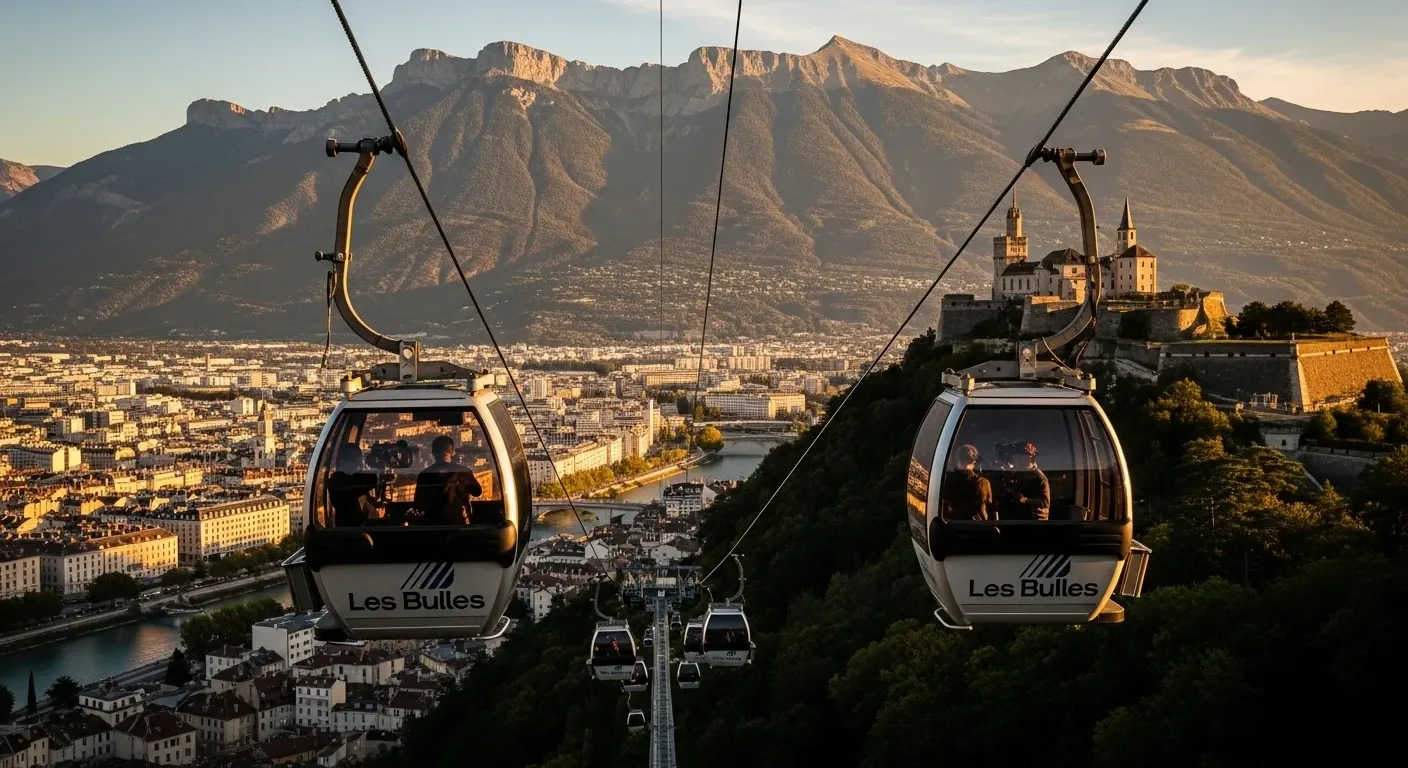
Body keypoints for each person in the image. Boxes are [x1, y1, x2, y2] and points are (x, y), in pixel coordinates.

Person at [413, 435, 481, 524]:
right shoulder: (463, 471)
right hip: (460, 523)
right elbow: (477, 492)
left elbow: (418, 502)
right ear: (453, 452)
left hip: (432, 525)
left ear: (433, 452)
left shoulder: (425, 475)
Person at [326, 446, 378, 527]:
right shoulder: (342, 481)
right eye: (358, 460)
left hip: (346, 526)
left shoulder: (337, 479)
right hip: (351, 528)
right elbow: (372, 480)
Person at [944, 443, 993, 521]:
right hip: (979, 528)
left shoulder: (947, 480)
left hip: (953, 527)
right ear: (974, 462)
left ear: (958, 461)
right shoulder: (984, 483)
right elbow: (990, 504)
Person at [1010, 442, 1051, 520]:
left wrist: (1025, 500)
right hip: (1022, 520)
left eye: (1020, 456)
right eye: (1016, 455)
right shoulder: (1019, 474)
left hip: (1035, 522)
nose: (1017, 458)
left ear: (1030, 457)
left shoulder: (1039, 477)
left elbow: (1045, 502)